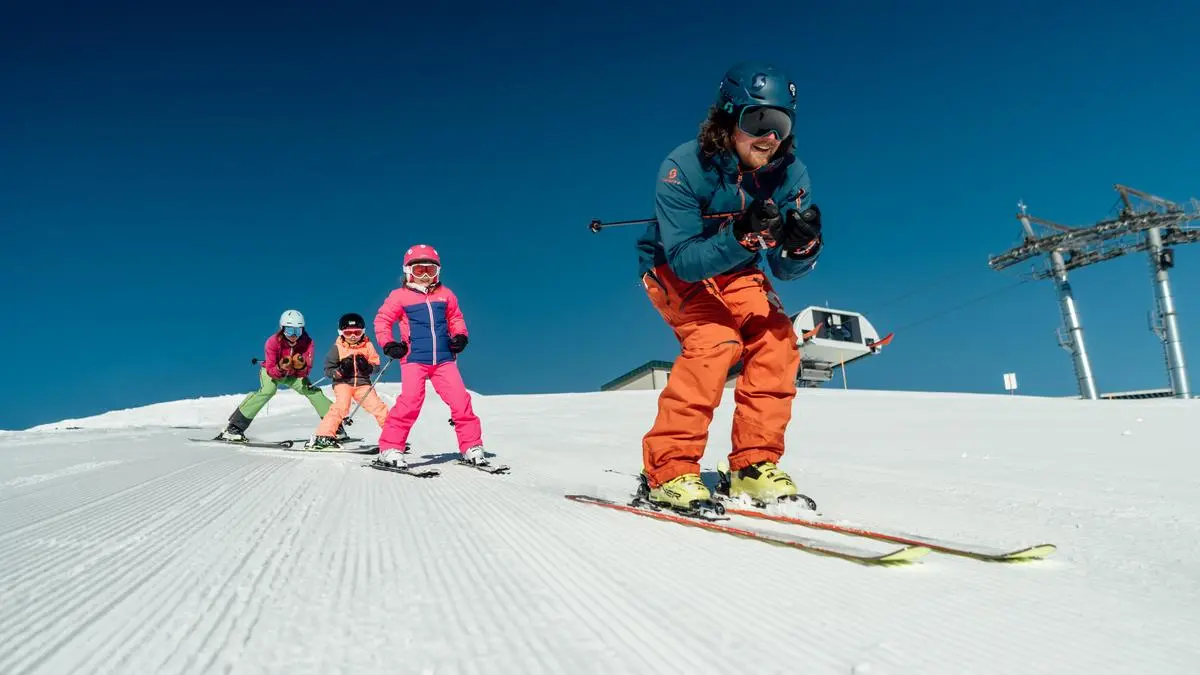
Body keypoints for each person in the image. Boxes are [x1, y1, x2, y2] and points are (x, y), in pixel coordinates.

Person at [634, 61, 824, 510]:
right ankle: (668, 470)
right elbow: (684, 261)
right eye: (758, 121)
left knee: (778, 341)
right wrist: (741, 235)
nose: (770, 136)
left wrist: (801, 248)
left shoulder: (790, 176)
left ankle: (752, 465)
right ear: (727, 118)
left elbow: (785, 269)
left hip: (737, 267)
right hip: (674, 265)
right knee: (715, 341)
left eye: (781, 124)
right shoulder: (681, 168)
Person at [372, 245, 486, 467]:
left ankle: (471, 446)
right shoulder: (400, 296)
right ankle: (390, 448)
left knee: (461, 401)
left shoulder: (446, 295)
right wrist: (389, 344)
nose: (424, 276)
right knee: (410, 402)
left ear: (438, 272)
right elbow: (382, 321)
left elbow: (456, 318)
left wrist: (460, 335)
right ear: (407, 272)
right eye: (419, 270)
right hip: (414, 359)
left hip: (444, 359)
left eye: (430, 270)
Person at [217, 309, 343, 442]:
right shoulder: (272, 342)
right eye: (289, 330)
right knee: (267, 391)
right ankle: (234, 428)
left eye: (297, 331)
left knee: (312, 391)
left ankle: (335, 427)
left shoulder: (308, 343)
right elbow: (271, 370)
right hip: (271, 371)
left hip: (293, 374)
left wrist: (301, 366)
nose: (293, 335)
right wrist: (281, 367)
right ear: (282, 328)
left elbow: (306, 371)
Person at [306, 312, 391, 449]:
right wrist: (340, 371)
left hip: (363, 384)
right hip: (343, 383)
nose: (352, 336)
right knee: (341, 406)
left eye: (357, 333)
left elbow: (376, 366)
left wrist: (367, 367)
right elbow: (328, 371)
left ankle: (393, 437)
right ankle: (323, 436)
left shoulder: (368, 346)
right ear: (341, 333)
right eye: (348, 333)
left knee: (378, 407)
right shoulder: (337, 348)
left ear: (363, 332)